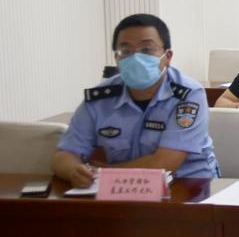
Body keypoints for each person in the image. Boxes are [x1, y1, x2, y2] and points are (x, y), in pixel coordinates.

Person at [53, 14, 218, 186]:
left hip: (188, 186)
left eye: (147, 50)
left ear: (167, 56)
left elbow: (164, 163)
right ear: (117, 59)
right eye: (126, 51)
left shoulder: (188, 95)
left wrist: (105, 174)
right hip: (119, 189)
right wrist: (74, 171)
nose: (135, 58)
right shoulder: (99, 98)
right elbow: (65, 154)